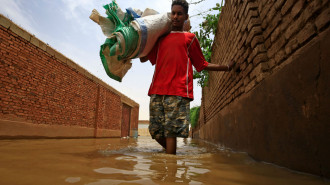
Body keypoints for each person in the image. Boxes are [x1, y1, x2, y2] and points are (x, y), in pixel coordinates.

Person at [140, 0, 234, 154]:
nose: (175, 16)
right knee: (155, 131)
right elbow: (144, 57)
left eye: (179, 14)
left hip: (178, 90)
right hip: (157, 90)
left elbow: (202, 64)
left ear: (185, 17)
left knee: (171, 132)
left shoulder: (190, 38)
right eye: (173, 13)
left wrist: (226, 67)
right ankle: (169, 156)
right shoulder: (160, 38)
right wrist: (134, 45)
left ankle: (171, 167)